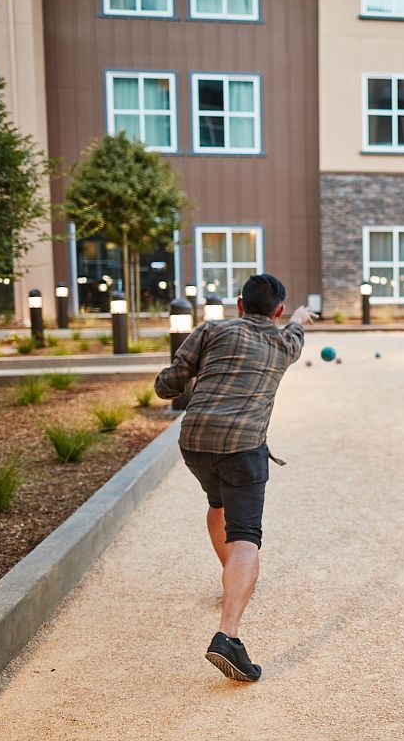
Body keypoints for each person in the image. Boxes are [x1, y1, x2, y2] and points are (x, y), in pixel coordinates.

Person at [154, 273, 315, 682]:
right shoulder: (285, 343)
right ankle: (228, 635)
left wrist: (178, 376)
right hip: (243, 448)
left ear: (239, 305)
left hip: (195, 442)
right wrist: (297, 317)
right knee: (246, 535)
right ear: (277, 311)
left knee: (217, 503)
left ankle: (235, 580)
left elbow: (168, 386)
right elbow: (295, 332)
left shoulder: (212, 329)